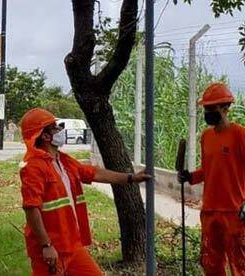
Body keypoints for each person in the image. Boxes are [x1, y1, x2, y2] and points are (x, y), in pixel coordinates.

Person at [19, 108, 152, 276]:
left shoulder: (63, 161)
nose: (60, 130)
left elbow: (95, 173)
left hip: (71, 245)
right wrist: (46, 245)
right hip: (50, 249)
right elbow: (31, 209)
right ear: (45, 136)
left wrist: (131, 178)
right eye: (55, 127)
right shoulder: (34, 167)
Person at [177, 83, 245, 276]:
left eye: (212, 108)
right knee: (210, 263)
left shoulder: (240, 134)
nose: (208, 112)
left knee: (239, 265)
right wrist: (190, 177)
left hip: (235, 212)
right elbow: (208, 169)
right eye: (206, 108)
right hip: (210, 211)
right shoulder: (206, 136)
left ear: (225, 108)